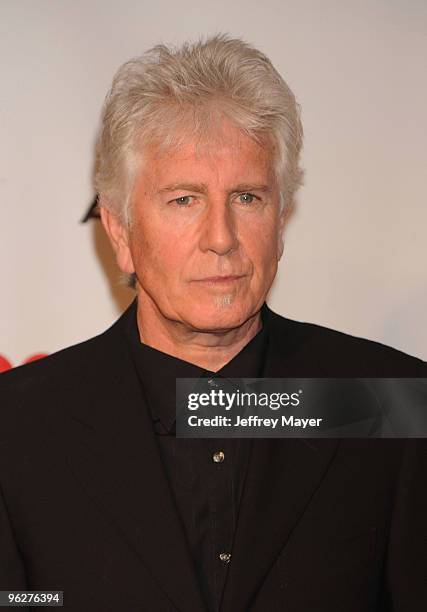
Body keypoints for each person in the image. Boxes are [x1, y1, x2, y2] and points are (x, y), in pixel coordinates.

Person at [1, 34, 426, 612]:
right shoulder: (18, 426)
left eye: (247, 197)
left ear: (281, 221)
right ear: (120, 232)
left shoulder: (390, 405)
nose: (221, 238)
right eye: (184, 200)